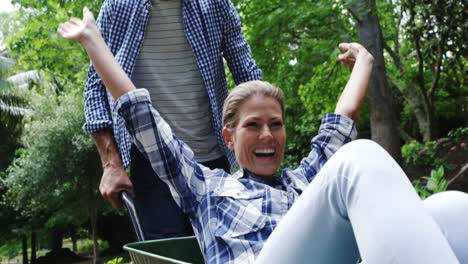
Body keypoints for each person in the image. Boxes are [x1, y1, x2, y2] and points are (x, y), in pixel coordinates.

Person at [58, 9, 468, 263]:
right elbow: (145, 120)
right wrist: (94, 43)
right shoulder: (205, 186)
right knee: (359, 158)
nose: (267, 135)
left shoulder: (305, 184)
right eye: (252, 126)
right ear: (228, 136)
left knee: (451, 208)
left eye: (275, 124)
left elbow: (343, 118)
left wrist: (364, 61)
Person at [83, 0, 262, 239]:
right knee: (169, 253)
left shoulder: (215, 5)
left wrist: (262, 144)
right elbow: (95, 86)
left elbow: (248, 76)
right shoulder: (118, 7)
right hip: (150, 167)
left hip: (212, 161)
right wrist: (111, 164)